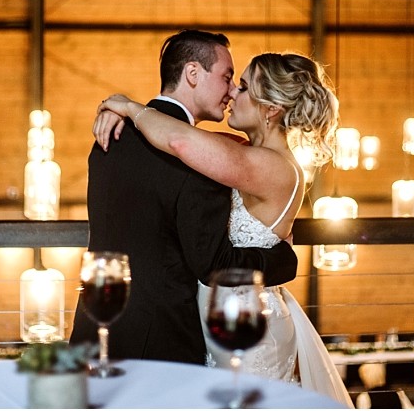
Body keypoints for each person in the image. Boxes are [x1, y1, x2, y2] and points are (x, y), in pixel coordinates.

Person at [94, 51, 354, 407]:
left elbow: (181, 141)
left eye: (244, 87)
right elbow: (185, 136)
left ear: (271, 108)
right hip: (221, 320)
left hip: (250, 331)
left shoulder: (274, 167)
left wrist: (127, 106)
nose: (233, 93)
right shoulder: (247, 152)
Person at [69, 30, 299, 367]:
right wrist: (284, 260)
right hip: (165, 341)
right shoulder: (201, 159)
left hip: (98, 324)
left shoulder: (113, 135)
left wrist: (124, 106)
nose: (232, 90)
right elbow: (212, 263)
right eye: (226, 76)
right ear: (193, 74)